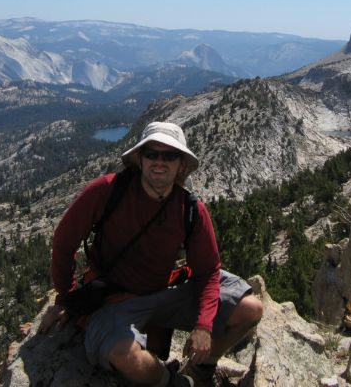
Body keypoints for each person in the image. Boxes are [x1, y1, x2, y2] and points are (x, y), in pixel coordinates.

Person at [39, 121, 263, 387]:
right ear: (140, 159)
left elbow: (208, 270)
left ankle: (203, 366)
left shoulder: (190, 210)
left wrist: (203, 326)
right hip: (115, 301)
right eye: (151, 154)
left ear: (181, 164)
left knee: (250, 308)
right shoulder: (108, 191)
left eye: (169, 155)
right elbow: (64, 243)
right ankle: (174, 382)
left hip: (164, 290)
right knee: (125, 355)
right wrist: (66, 298)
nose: (159, 162)